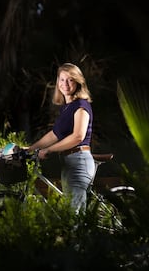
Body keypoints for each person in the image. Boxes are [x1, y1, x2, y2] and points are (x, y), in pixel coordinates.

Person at [28, 62, 95, 214]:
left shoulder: (81, 105)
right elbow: (54, 135)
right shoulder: (67, 108)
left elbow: (78, 136)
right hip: (69, 163)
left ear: (77, 82)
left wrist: (48, 150)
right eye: (62, 79)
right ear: (57, 82)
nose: (65, 84)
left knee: (74, 216)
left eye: (70, 80)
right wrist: (31, 149)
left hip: (79, 163)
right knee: (71, 212)